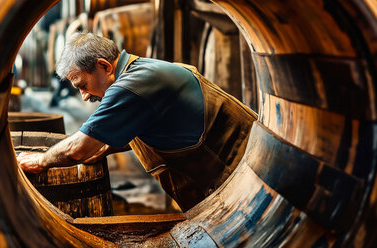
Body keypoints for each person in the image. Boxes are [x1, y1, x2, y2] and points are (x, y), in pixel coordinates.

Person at [17, 32, 257, 211]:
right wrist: (107, 146)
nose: (85, 96)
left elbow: (76, 150)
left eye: (83, 85)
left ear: (104, 66)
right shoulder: (140, 71)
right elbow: (149, 125)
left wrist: (40, 160)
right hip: (234, 174)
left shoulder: (131, 86)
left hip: (246, 175)